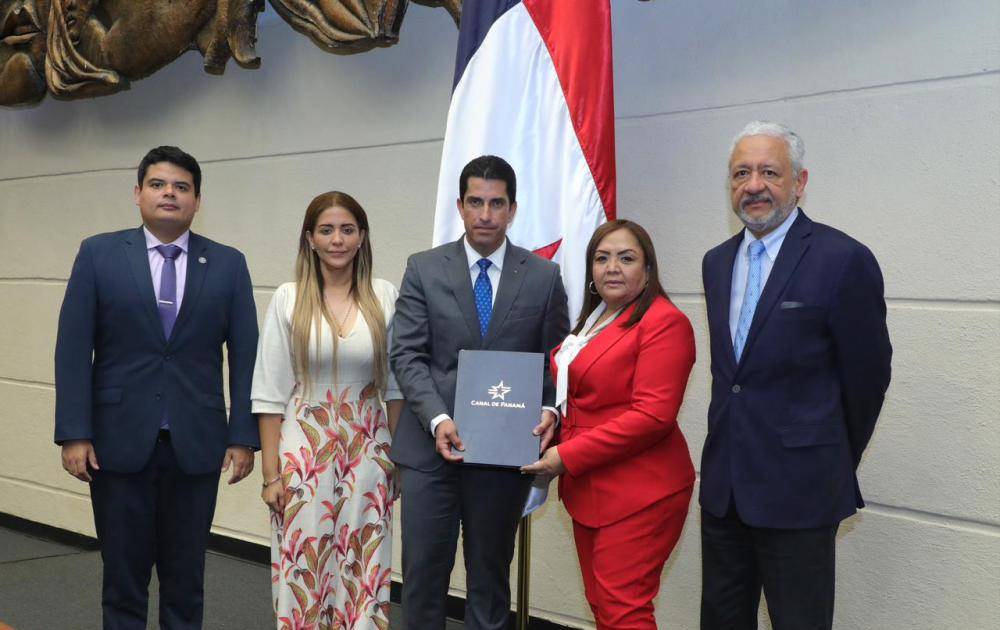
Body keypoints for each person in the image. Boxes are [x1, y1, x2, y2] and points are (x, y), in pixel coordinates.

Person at [54, 146, 259, 629]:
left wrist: (242, 436)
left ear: (197, 201)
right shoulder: (98, 254)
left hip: (197, 446)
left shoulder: (228, 264)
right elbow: (73, 349)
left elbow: (247, 357)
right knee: (123, 580)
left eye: (182, 187)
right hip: (116, 444)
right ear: (138, 193)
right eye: (158, 184)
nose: (170, 193)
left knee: (186, 581)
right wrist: (74, 433)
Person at [699, 121, 892, 630]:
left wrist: (824, 455)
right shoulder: (716, 263)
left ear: (800, 182)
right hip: (724, 491)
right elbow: (733, 380)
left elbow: (868, 378)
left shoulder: (842, 259)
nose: (753, 185)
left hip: (801, 491)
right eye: (741, 173)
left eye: (769, 172)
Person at [390, 154, 569, 630]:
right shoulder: (424, 268)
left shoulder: (543, 277)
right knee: (422, 580)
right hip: (430, 451)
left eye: (496, 203)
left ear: (512, 209)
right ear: (460, 207)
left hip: (501, 457)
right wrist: (437, 418)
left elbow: (557, 361)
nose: (485, 214)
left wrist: (550, 408)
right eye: (475, 202)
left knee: (490, 584)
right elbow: (407, 354)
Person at [522, 219, 697, 629]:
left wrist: (564, 455)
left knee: (623, 608)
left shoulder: (664, 322)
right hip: (591, 487)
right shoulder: (596, 319)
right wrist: (552, 418)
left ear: (648, 270)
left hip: (641, 490)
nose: (612, 267)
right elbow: (583, 395)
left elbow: (652, 416)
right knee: (603, 604)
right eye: (602, 258)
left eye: (626, 258)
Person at [251, 192, 403, 630]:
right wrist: (271, 475)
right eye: (327, 230)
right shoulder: (288, 298)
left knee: (364, 559)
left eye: (347, 230)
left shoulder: (384, 295)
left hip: (369, 446)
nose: (338, 240)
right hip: (303, 448)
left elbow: (396, 388)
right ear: (310, 239)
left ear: (362, 237)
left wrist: (399, 460)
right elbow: (269, 393)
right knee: (306, 559)